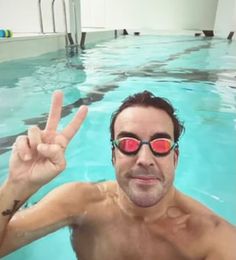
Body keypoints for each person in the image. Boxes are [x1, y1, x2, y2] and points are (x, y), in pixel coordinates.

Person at [0, 90, 235, 260]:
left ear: (175, 157)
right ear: (113, 155)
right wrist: (16, 185)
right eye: (128, 143)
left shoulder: (211, 237)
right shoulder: (81, 203)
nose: (144, 159)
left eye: (161, 144)